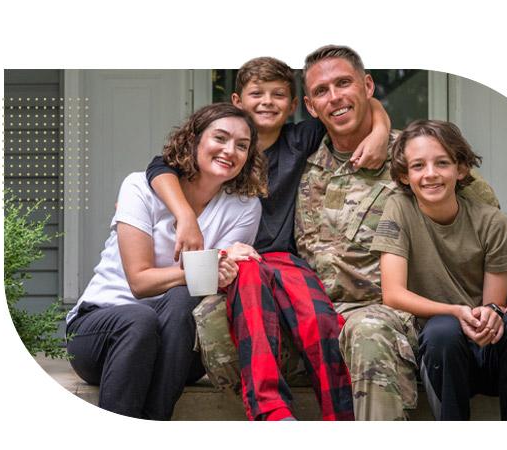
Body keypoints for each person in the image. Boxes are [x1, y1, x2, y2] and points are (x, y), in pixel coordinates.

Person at [293, 44, 507, 421]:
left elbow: (493, 227)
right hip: (320, 313)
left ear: (368, 86)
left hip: (396, 314)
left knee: (369, 330)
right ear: (310, 106)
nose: (335, 97)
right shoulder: (304, 163)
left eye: (344, 83)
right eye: (322, 91)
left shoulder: (418, 157)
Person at [144, 56, 391, 421]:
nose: (267, 102)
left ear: (293, 106)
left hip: (284, 258)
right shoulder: (223, 152)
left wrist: (381, 132)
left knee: (320, 319)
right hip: (234, 262)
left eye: (278, 95)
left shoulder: (300, 137)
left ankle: (340, 417)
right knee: (254, 310)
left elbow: (360, 102)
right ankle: (270, 410)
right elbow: (159, 166)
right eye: (256, 93)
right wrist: (184, 215)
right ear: (237, 102)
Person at [64, 103, 266, 420]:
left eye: (242, 145)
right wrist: (215, 260)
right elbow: (140, 282)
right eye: (220, 138)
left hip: (179, 346)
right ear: (194, 140)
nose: (231, 150)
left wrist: (218, 268)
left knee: (183, 297)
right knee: (140, 320)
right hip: (102, 333)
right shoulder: (140, 188)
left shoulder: (244, 207)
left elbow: (214, 282)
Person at [370, 120, 507, 420]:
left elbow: (493, 302)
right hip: (445, 356)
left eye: (442, 163)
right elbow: (392, 294)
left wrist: (492, 313)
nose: (430, 174)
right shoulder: (399, 209)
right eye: (418, 166)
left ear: (461, 169)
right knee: (442, 328)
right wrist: (455, 311)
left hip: (493, 352)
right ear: (404, 176)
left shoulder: (490, 220)